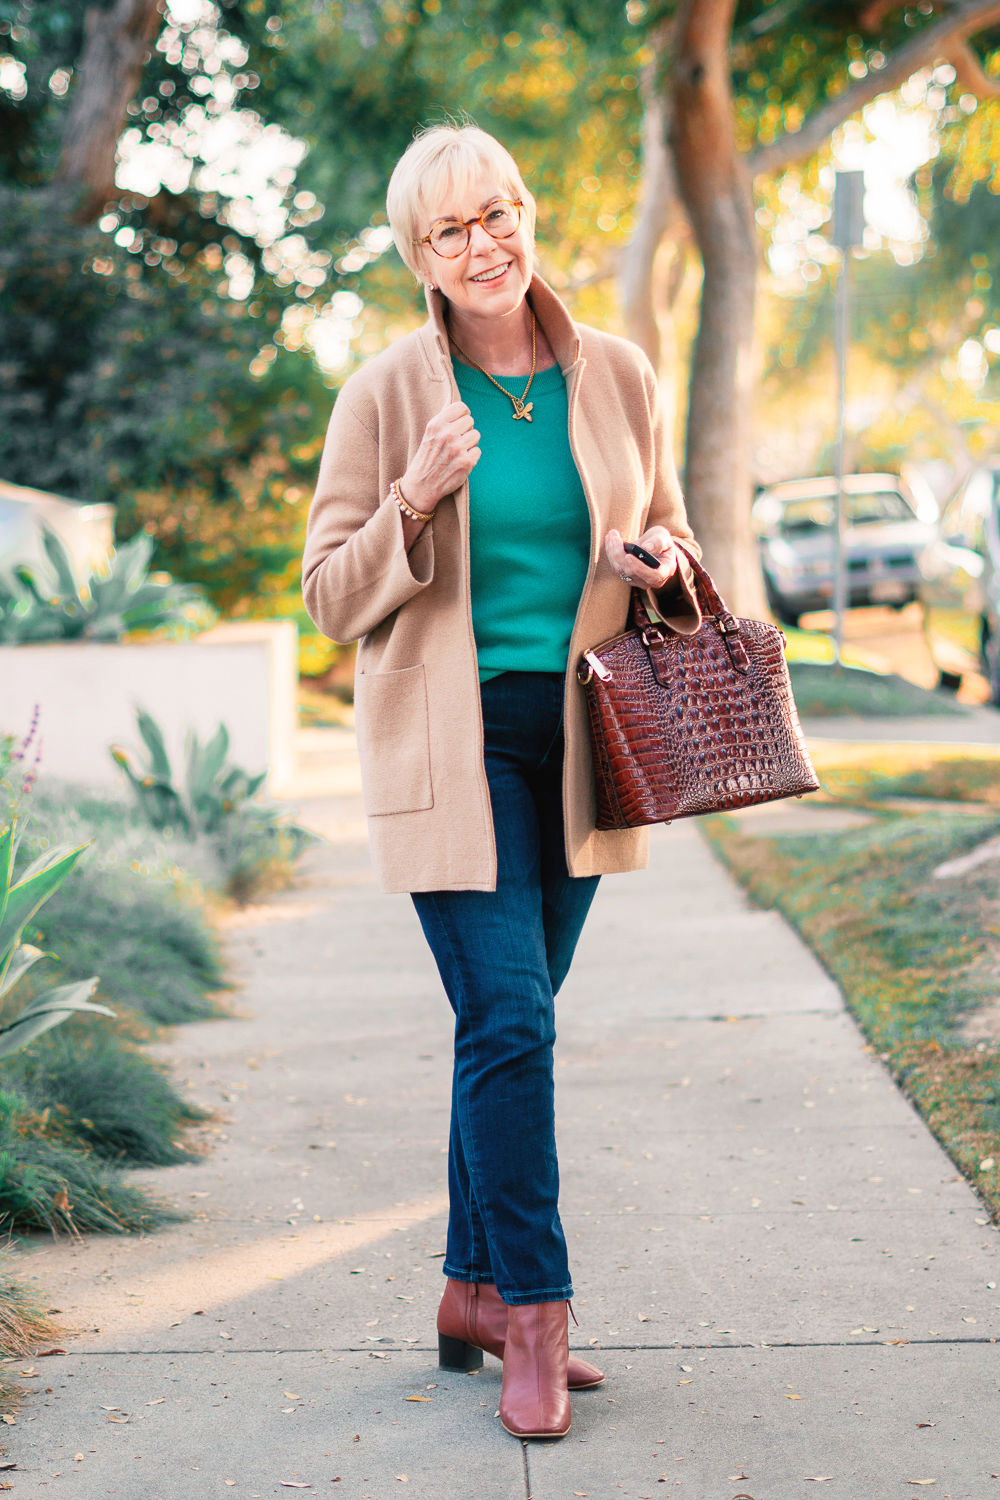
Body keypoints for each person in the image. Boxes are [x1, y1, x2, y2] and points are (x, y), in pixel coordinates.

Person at [302, 122, 702, 1441]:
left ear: (529, 213)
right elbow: (328, 598)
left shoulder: (622, 375)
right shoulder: (383, 396)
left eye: (500, 212)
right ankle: (536, 1313)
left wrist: (661, 561)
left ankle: (469, 1287)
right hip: (450, 753)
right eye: (452, 229)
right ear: (420, 254)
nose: (485, 244)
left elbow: (677, 534)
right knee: (515, 1027)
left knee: (502, 1035)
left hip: (586, 747)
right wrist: (410, 503)